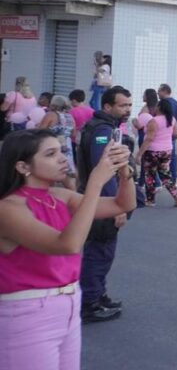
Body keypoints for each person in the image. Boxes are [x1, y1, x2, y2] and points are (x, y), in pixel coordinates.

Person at [0, 129, 134, 369]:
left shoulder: (58, 196)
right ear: (22, 166)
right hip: (27, 313)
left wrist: (124, 171)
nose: (63, 158)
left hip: (69, 303)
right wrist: (95, 182)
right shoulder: (8, 208)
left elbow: (122, 204)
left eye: (61, 150)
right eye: (51, 154)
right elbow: (68, 245)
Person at [77, 86, 134, 323]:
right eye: (123, 105)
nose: (128, 109)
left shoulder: (105, 127)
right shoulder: (103, 130)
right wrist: (117, 206)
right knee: (99, 252)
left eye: (129, 105)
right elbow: (106, 171)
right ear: (108, 107)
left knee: (102, 251)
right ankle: (90, 302)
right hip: (102, 201)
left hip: (98, 200)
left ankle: (98, 295)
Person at [137, 99, 177, 208]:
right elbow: (176, 133)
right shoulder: (172, 119)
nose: (155, 107)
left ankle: (150, 200)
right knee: (165, 175)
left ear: (160, 108)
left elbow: (149, 139)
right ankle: (176, 195)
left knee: (150, 176)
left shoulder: (154, 121)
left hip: (153, 151)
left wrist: (139, 154)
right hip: (167, 151)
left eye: (157, 106)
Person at [37, 96, 78, 190]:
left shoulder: (50, 115)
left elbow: (40, 131)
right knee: (66, 174)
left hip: (51, 145)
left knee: (48, 172)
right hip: (66, 147)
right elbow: (74, 134)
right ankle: (75, 198)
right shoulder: (70, 117)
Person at [157, 85, 177, 184]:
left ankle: (163, 178)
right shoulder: (176, 103)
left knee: (161, 156)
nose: (158, 93)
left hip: (164, 132)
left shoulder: (165, 104)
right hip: (172, 130)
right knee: (172, 155)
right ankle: (173, 177)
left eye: (159, 91)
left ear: (165, 91)